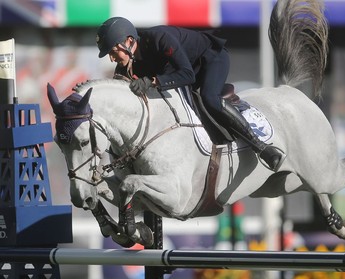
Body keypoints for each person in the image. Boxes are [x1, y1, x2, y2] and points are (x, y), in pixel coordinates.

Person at [96, 17, 286, 172]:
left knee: (209, 98)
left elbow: (186, 74)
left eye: (113, 52)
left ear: (129, 41)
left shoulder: (159, 39)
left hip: (210, 59)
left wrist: (152, 81)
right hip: (185, 69)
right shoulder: (129, 60)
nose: (112, 58)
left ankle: (261, 147)